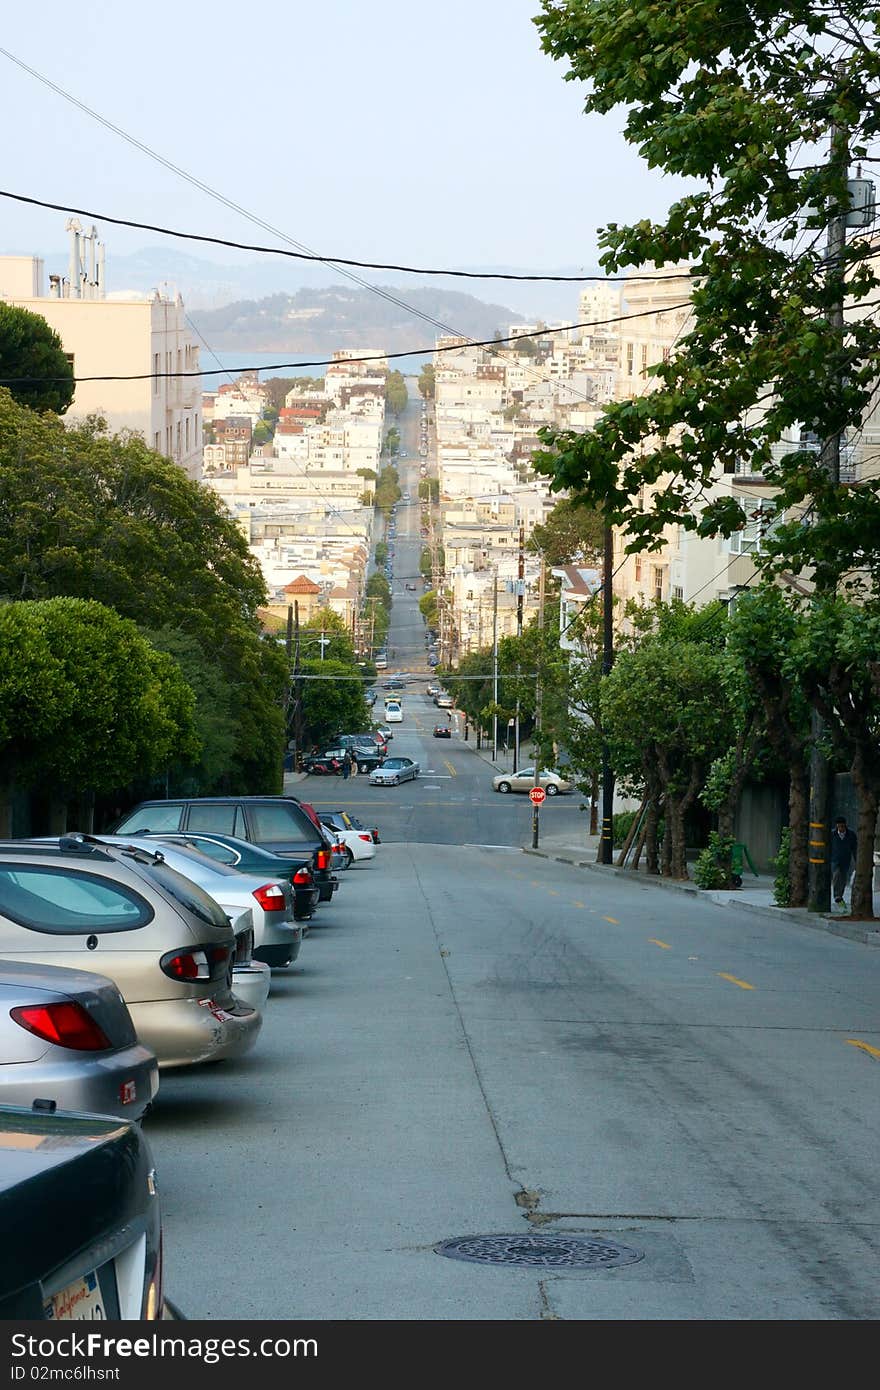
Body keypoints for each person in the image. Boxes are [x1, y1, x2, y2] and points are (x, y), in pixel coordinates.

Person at [831, 816, 857, 907]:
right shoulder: (833, 834)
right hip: (835, 859)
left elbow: (854, 848)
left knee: (843, 878)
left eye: (842, 826)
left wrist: (856, 860)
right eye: (839, 826)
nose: (841, 828)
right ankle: (836, 895)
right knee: (836, 875)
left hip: (846, 859)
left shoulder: (851, 835)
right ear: (837, 826)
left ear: (845, 825)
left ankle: (840, 896)